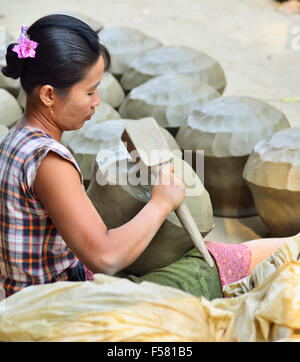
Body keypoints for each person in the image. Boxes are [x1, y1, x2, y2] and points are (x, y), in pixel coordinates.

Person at [0, 14, 294, 300]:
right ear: (49, 95)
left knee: (193, 255)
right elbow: (106, 257)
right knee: (206, 268)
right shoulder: (51, 162)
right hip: (47, 306)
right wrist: (161, 202)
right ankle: (291, 248)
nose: (97, 102)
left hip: (30, 285)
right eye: (89, 92)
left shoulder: (15, 138)